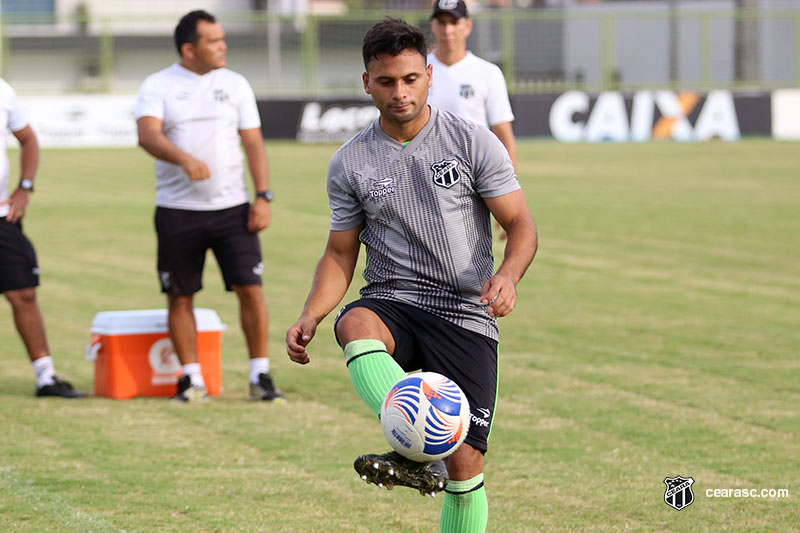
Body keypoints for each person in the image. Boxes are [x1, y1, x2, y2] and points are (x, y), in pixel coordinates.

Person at [286, 18, 536, 532]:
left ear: (428, 75)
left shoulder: (472, 142)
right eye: (385, 82)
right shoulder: (349, 162)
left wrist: (508, 276)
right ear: (366, 83)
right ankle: (419, 445)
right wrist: (312, 313)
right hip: (395, 298)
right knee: (355, 325)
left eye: (409, 79)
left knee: (465, 468)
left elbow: (520, 225)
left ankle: (427, 452)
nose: (399, 92)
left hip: (466, 310)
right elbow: (339, 253)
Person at [135, 10, 284, 403]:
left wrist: (263, 196)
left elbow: (253, 143)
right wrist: (184, 158)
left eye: (222, 39)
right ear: (189, 49)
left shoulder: (235, 84)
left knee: (250, 289)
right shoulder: (158, 85)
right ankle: (190, 379)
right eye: (214, 41)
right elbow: (147, 135)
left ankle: (260, 376)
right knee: (180, 296)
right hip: (176, 210)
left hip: (233, 210)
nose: (223, 46)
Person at [0, 79, 84, 399]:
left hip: (2, 217)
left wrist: (25, 186)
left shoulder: (3, 91)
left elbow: (28, 140)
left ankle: (45, 376)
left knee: (23, 293)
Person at [427, 0, 517, 171]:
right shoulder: (417, 71)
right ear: (433, 25)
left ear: (468, 26)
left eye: (454, 22)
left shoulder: (488, 72)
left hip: (475, 170)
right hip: (427, 170)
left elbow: (503, 132)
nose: (448, 30)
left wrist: (511, 181)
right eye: (442, 22)